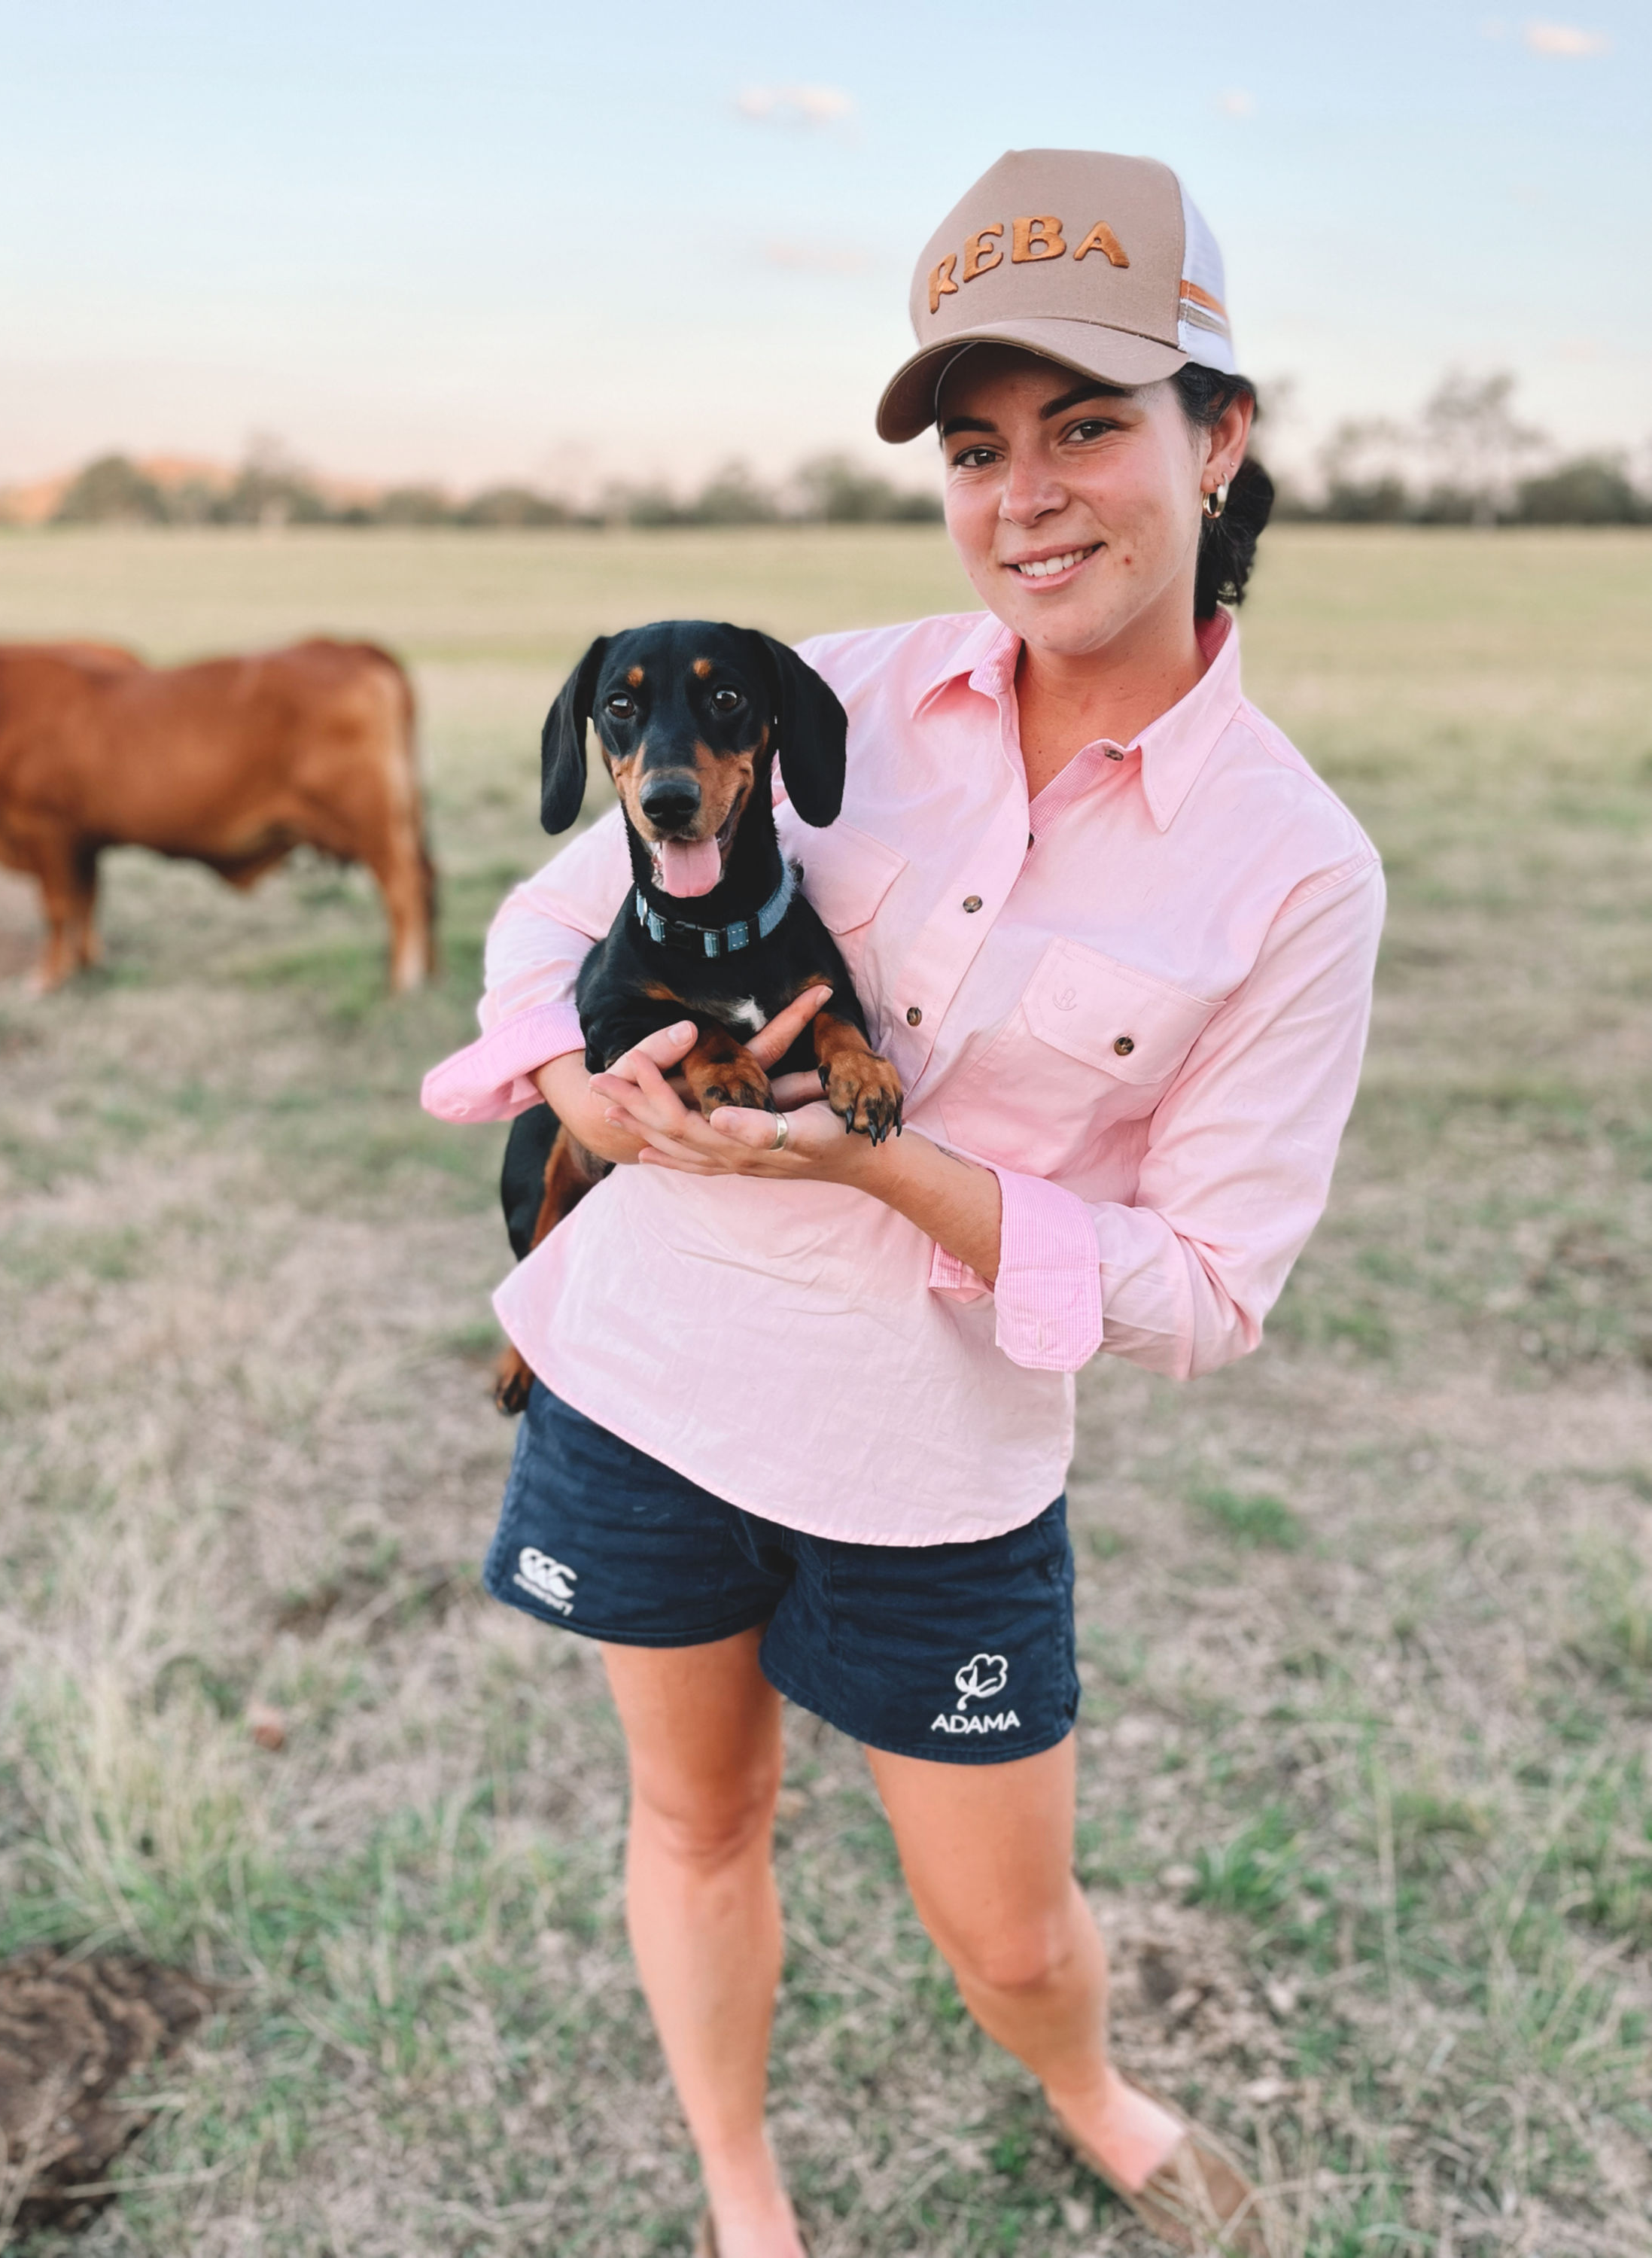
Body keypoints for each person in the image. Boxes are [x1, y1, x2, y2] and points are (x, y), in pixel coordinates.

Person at [422, 148, 1383, 2257]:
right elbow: (541, 919)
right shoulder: (812, 688)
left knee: (1015, 1930)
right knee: (694, 1822)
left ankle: (1086, 2088)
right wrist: (570, 1069)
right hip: (650, 1395)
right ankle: (743, 2195)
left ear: (1219, 440)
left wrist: (886, 1160)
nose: (1023, 494)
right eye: (975, 445)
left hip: (931, 1477)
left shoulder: (1293, 867)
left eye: (1087, 426)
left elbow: (1210, 1290)